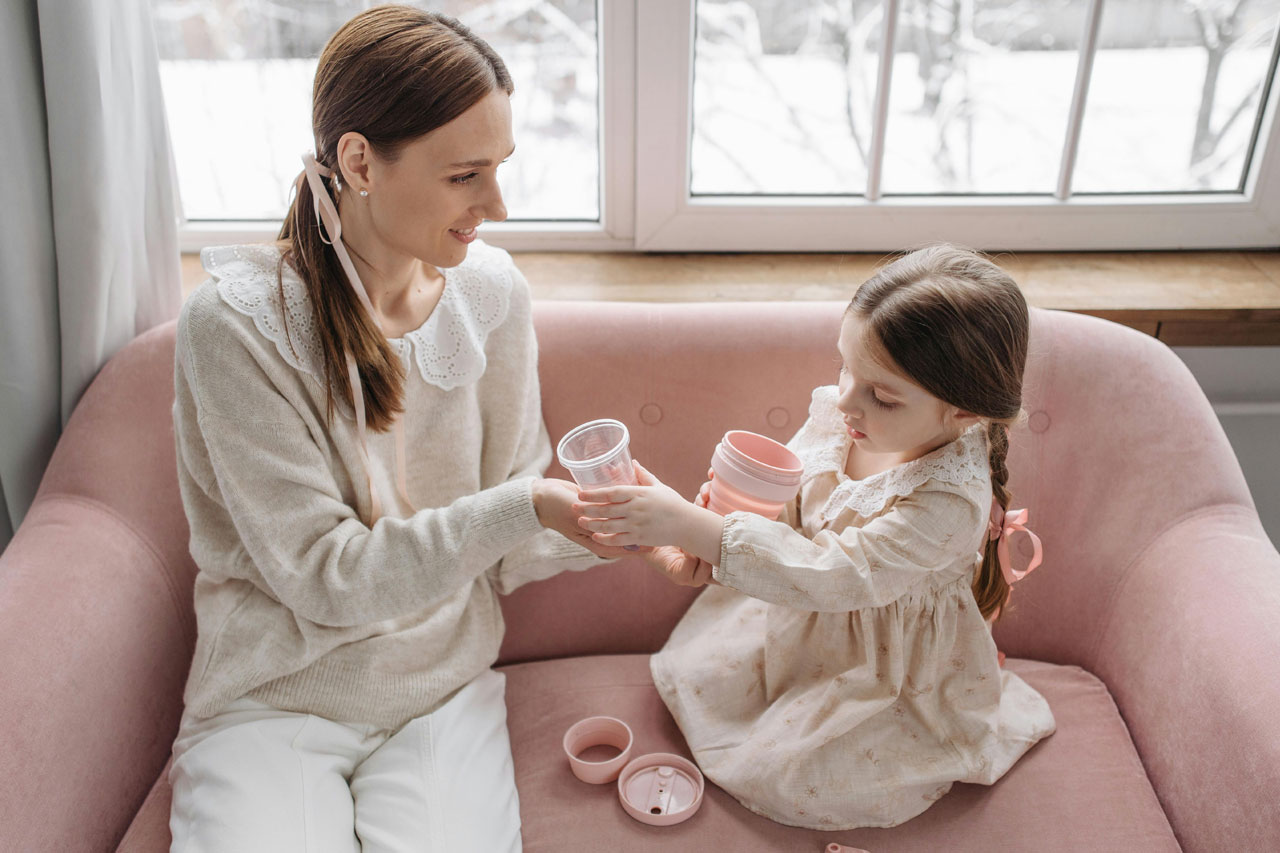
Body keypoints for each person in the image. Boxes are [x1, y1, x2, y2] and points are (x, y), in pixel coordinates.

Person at [168, 7, 626, 851]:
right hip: (276, 694)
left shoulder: (489, 295)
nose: (496, 204)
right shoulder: (235, 327)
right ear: (358, 163)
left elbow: (515, 536)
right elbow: (325, 577)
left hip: (442, 690)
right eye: (465, 176)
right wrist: (531, 504)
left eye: (501, 168)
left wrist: (616, 522)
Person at [574, 244, 1056, 829]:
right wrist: (739, 509)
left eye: (882, 394)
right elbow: (796, 503)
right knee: (710, 682)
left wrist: (689, 524)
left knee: (804, 777)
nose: (846, 400)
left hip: (885, 662)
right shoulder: (846, 414)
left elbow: (838, 575)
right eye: (845, 368)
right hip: (799, 621)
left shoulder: (949, 501)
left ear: (964, 414)